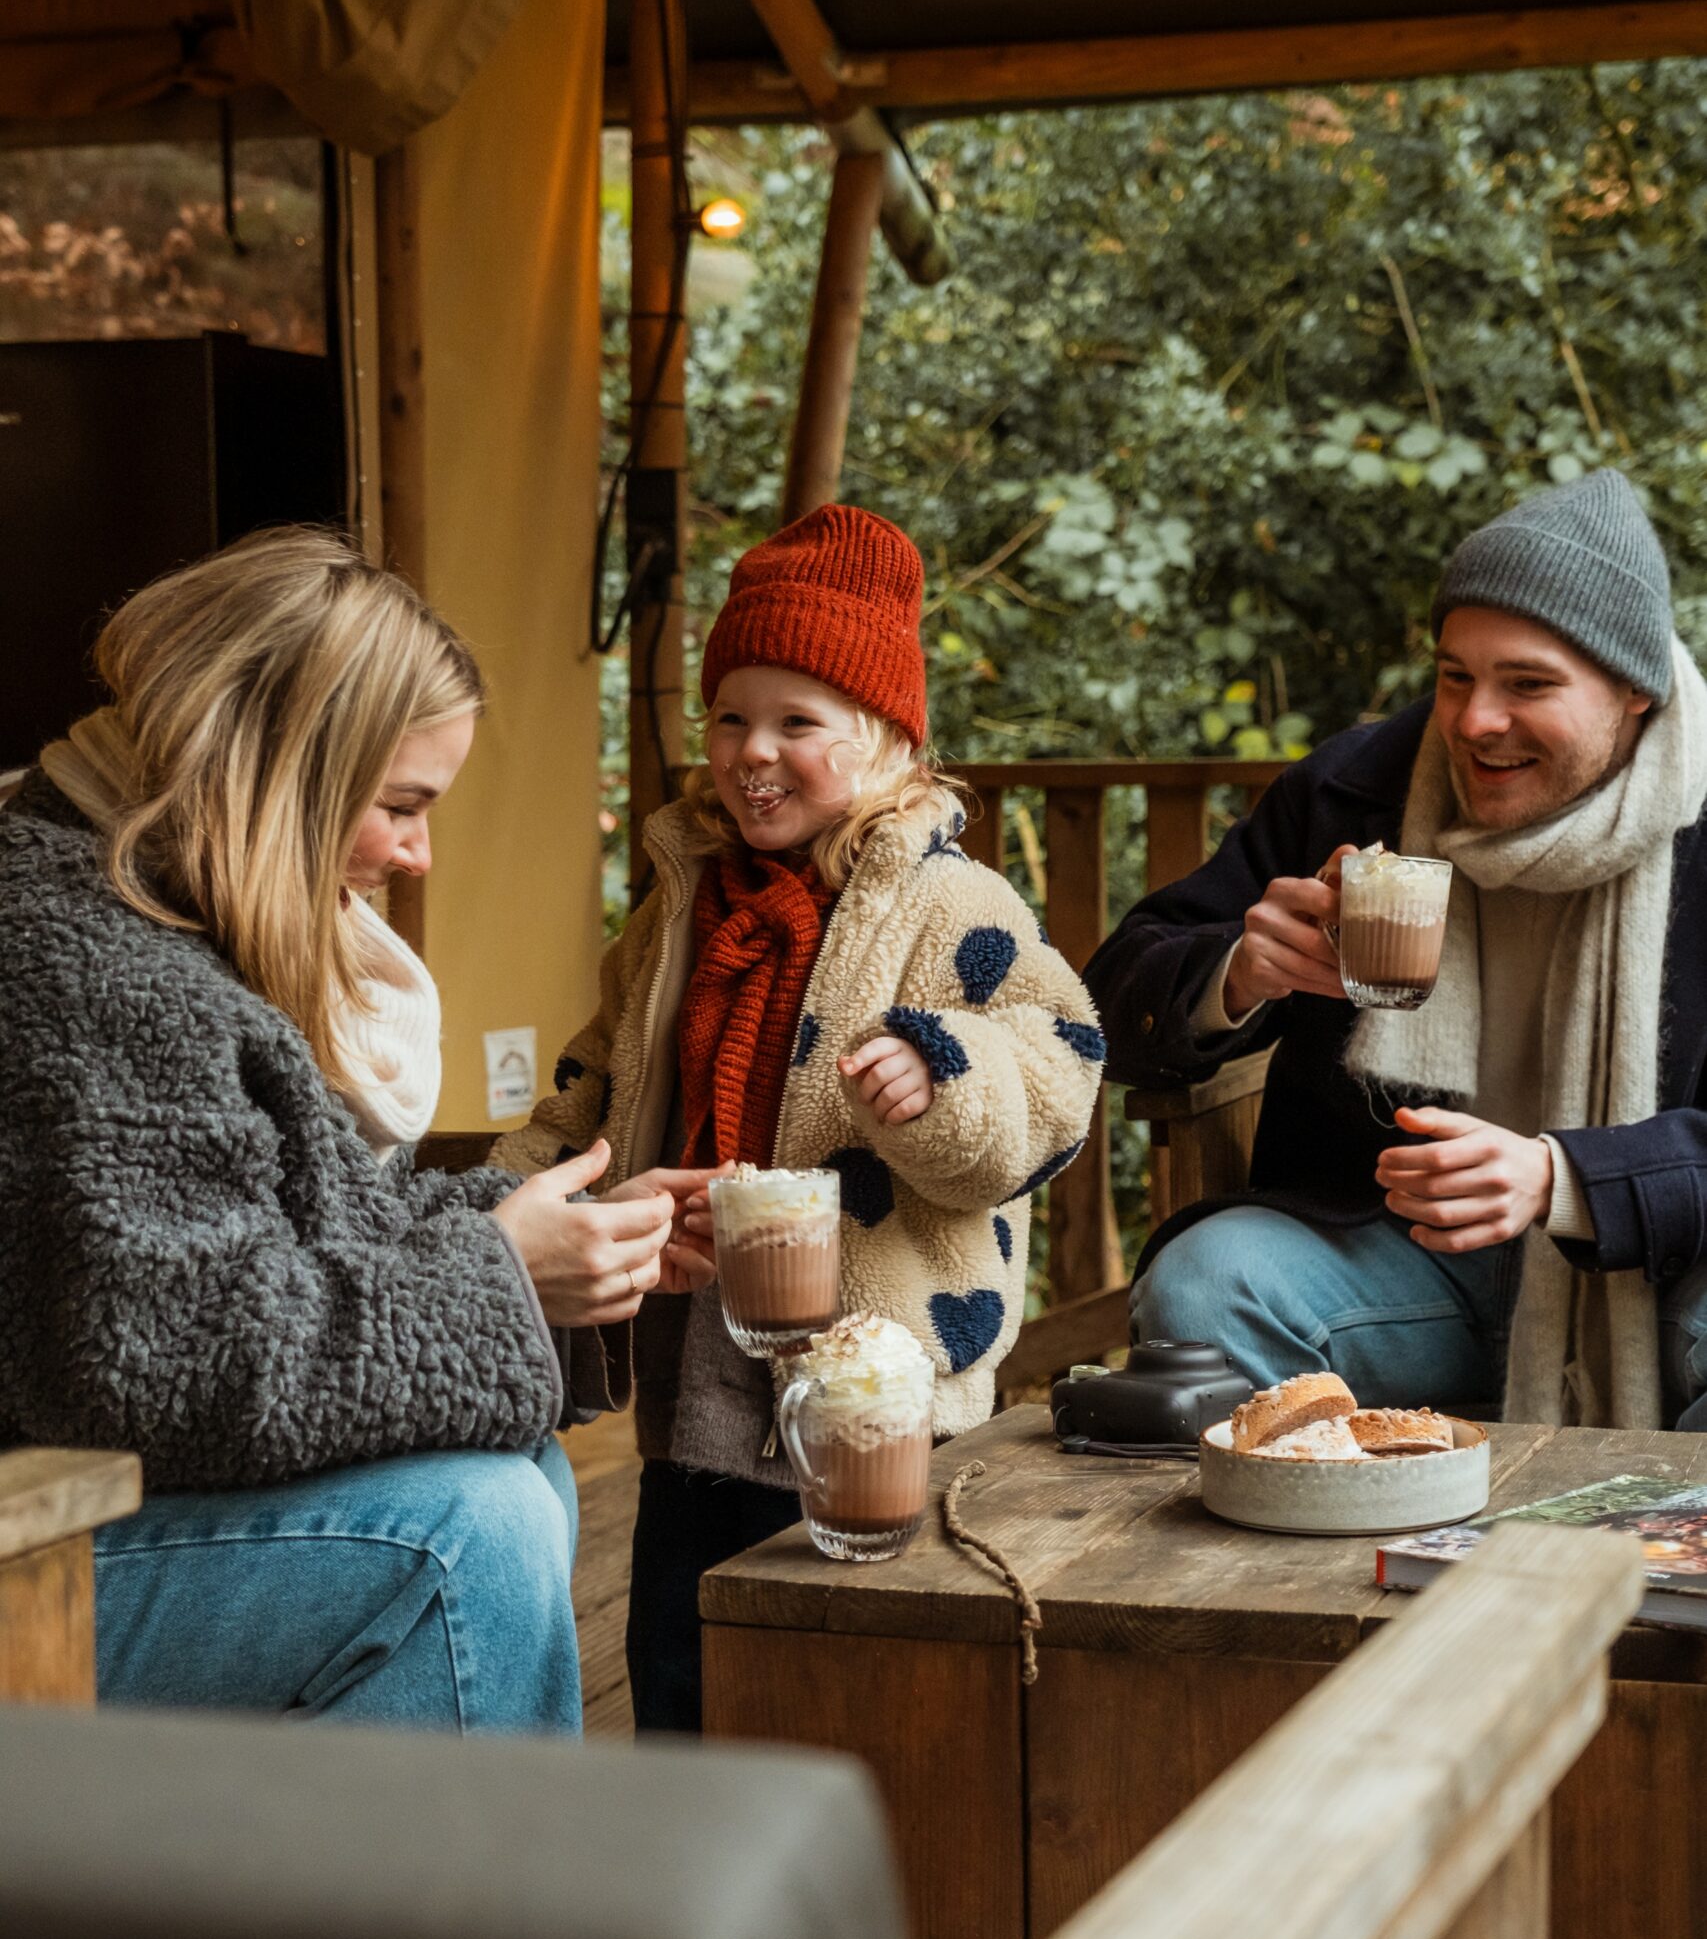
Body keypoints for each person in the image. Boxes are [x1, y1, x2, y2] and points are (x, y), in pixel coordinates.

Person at [0, 526, 714, 1729]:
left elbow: (275, 1232)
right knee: (465, 1535)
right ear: (280, 766)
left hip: (63, 1502)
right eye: (398, 804)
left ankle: (338, 1900)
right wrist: (501, 1273)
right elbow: (154, 1360)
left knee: (516, 1475)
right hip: (33, 1536)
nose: (417, 851)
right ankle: (459, 1908)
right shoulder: (82, 963)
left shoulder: (138, 910)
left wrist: (566, 1233)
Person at [499, 504, 1106, 1730]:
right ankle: (683, 1883)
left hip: (875, 1372)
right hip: (699, 1375)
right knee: (681, 1652)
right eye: (731, 716)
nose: (753, 751)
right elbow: (600, 1086)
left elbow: (1057, 1068)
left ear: (886, 742)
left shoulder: (951, 903)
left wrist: (946, 1080)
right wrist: (507, 1203)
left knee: (863, 1670)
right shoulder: (682, 907)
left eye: (798, 723)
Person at [1088, 469, 1707, 1432]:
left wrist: (1572, 1180)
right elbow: (1109, 999)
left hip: (1658, 1264)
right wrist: (1237, 975)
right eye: (1454, 675)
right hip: (1402, 1257)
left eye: (1527, 684)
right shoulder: (1358, 789)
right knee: (1209, 1286)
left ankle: (1657, 1577)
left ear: (1634, 691)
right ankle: (1316, 1573)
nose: (1473, 722)